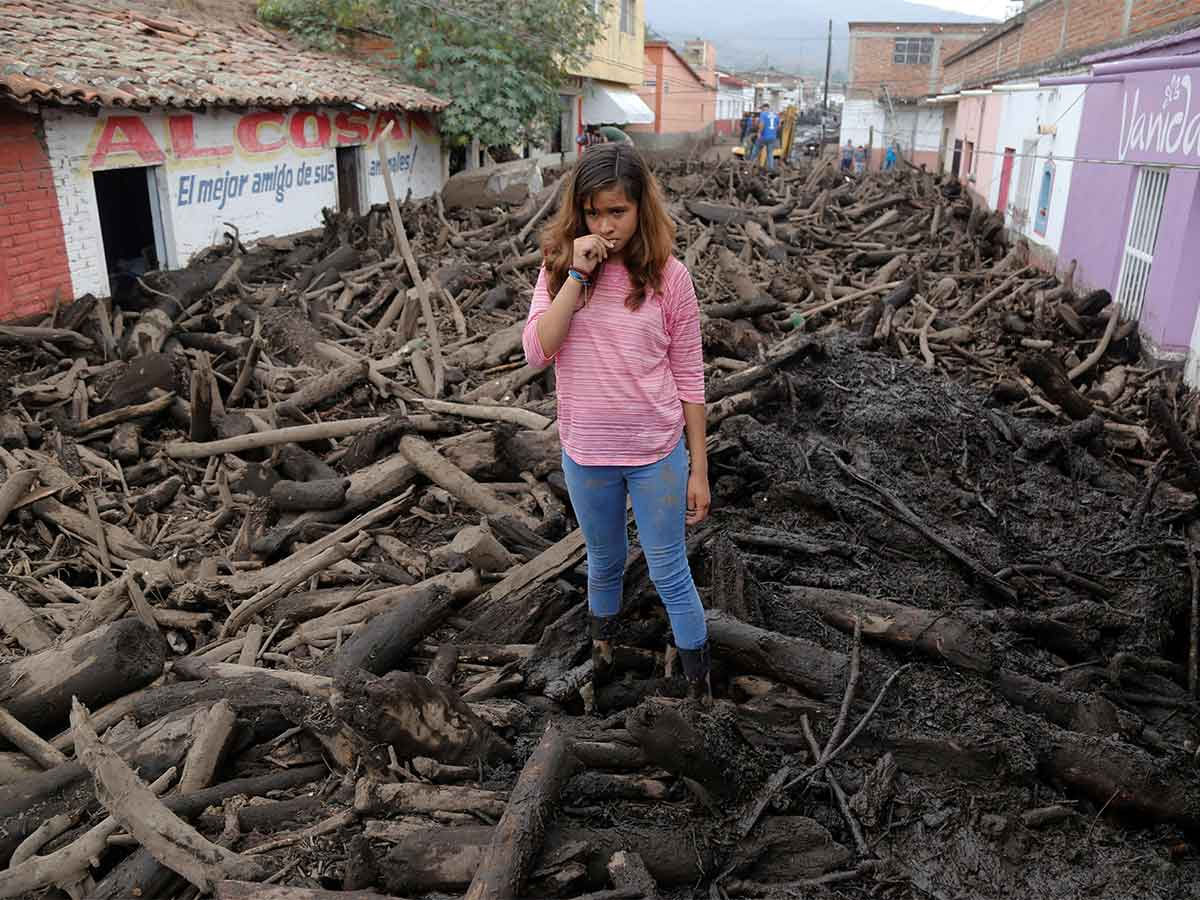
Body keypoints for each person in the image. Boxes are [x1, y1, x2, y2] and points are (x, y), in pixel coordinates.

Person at [522, 142, 712, 706]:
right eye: (593, 212)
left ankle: (699, 690)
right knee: (603, 562)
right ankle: (602, 657)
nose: (605, 226)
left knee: (669, 568)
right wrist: (577, 276)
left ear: (640, 209)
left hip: (656, 452)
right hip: (587, 454)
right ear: (578, 210)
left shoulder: (668, 278)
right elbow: (538, 351)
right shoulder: (559, 270)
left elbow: (691, 377)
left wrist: (698, 468)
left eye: (618, 212)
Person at [750, 102, 781, 171]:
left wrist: (759, 133)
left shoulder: (763, 114)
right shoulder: (776, 115)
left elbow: (762, 124)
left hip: (764, 137)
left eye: (762, 108)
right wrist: (773, 131)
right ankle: (771, 168)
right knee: (770, 153)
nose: (761, 110)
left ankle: (749, 164)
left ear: (764, 108)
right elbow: (779, 125)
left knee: (755, 151)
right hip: (772, 137)